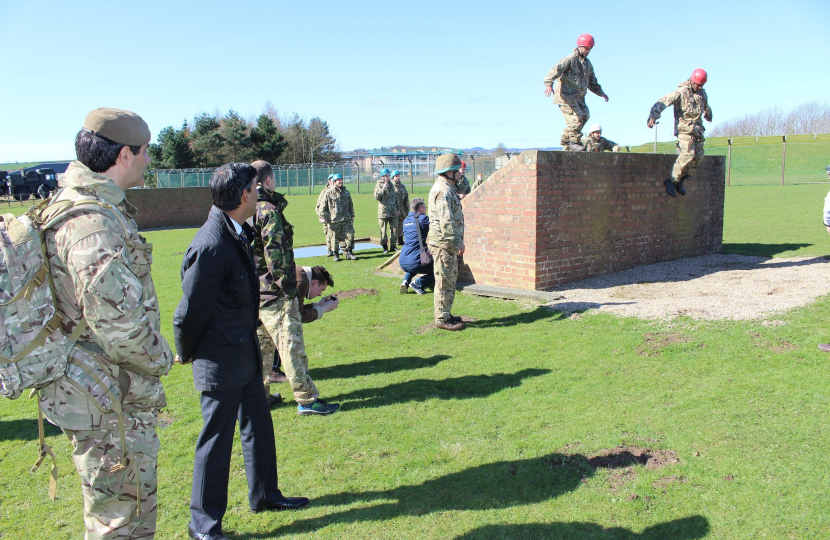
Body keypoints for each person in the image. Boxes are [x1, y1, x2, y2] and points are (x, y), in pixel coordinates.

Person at [37, 108, 174, 539]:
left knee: (125, 511)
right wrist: (163, 357)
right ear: (124, 155)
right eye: (145, 151)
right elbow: (119, 327)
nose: (149, 159)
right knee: (119, 521)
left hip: (102, 391)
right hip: (107, 399)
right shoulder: (92, 224)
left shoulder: (87, 208)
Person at [173, 163, 309, 540]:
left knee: (259, 426)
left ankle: (265, 494)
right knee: (215, 444)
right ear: (245, 195)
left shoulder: (236, 229)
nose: (261, 191)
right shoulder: (211, 244)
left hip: (244, 352)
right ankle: (204, 527)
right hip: (218, 359)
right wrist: (185, 352)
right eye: (255, 186)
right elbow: (189, 311)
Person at [265, 264, 341, 415]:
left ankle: (261, 398)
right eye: (322, 289)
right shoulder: (301, 280)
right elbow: (296, 315)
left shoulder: (297, 273)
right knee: (293, 353)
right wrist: (322, 310)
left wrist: (316, 305)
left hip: (261, 310)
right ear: (314, 283)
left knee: (263, 353)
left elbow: (296, 308)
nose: (320, 294)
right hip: (276, 315)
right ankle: (307, 401)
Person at [248, 160, 291, 408]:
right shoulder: (268, 210)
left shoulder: (246, 206)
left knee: (260, 344)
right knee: (280, 343)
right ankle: (306, 398)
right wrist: (286, 287)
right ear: (268, 180)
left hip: (252, 285)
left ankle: (261, 396)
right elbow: (274, 254)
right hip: (268, 289)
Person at [647, 68, 713, 197]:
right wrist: (653, 115)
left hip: (697, 131)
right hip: (684, 130)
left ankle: (680, 181)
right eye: (698, 84)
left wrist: (709, 114)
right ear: (692, 81)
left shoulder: (702, 94)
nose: (699, 87)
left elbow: (706, 106)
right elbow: (664, 101)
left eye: (702, 85)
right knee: (688, 154)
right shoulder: (681, 92)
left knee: (697, 158)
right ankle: (671, 181)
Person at [543, 33, 609, 151]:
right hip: (565, 96)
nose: (589, 52)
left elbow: (592, 82)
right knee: (576, 119)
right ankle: (572, 141)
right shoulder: (570, 59)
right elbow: (555, 70)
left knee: (585, 115)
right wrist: (548, 84)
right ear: (581, 47)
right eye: (587, 49)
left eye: (590, 49)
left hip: (578, 97)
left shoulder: (587, 64)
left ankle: (566, 140)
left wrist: (601, 93)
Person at [427, 153, 466, 331]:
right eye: (457, 170)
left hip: (447, 244)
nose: (460, 173)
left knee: (449, 279)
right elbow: (446, 222)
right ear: (448, 172)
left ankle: (446, 313)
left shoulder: (448, 188)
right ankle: (441, 318)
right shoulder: (443, 191)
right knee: (444, 281)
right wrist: (458, 242)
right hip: (444, 244)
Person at [399, 198, 435, 295]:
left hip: (403, 260)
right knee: (436, 271)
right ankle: (418, 283)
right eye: (424, 207)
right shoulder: (422, 219)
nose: (426, 209)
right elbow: (435, 228)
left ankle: (405, 282)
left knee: (412, 268)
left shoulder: (406, 220)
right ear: (420, 209)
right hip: (415, 260)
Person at [322, 174, 356, 261]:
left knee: (350, 236)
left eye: (341, 180)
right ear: (334, 182)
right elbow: (323, 206)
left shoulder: (346, 192)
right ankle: (336, 255)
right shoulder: (329, 193)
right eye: (338, 180)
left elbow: (350, 205)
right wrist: (322, 217)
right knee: (334, 238)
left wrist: (352, 215)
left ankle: (349, 252)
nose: (340, 182)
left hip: (346, 219)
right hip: (334, 220)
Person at [374, 167, 399, 253]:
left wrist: (397, 209)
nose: (387, 178)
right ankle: (385, 247)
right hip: (383, 212)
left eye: (388, 176)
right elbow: (376, 197)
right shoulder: (379, 184)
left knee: (395, 229)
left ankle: (393, 246)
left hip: (392, 211)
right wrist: (383, 189)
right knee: (383, 230)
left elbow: (395, 197)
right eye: (385, 176)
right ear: (382, 177)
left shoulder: (392, 185)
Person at [316, 174, 334, 256]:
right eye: (332, 180)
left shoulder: (341, 190)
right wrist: (321, 216)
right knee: (329, 233)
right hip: (328, 217)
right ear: (329, 181)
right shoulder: (324, 192)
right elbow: (319, 205)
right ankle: (330, 250)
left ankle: (344, 249)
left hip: (339, 217)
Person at [391, 170, 409, 246]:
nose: (397, 177)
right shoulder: (391, 187)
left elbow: (406, 198)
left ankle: (400, 240)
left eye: (398, 175)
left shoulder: (402, 187)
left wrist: (407, 209)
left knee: (401, 225)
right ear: (392, 177)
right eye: (396, 176)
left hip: (402, 209)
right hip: (394, 210)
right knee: (395, 225)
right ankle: (394, 241)